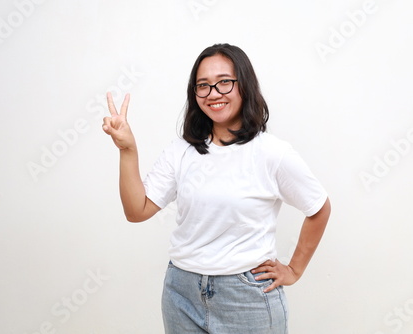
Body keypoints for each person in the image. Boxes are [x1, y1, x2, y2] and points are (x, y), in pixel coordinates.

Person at [102, 43, 331, 334]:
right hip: (181, 292)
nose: (213, 93)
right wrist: (128, 151)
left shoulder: (272, 153)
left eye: (224, 82)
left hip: (246, 297)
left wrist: (294, 269)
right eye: (203, 85)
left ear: (244, 86)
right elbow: (137, 211)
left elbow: (319, 207)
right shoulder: (181, 151)